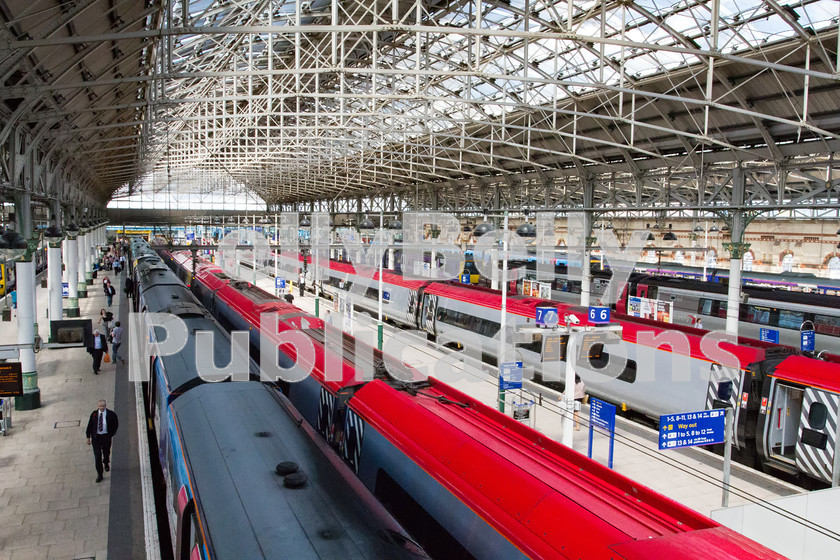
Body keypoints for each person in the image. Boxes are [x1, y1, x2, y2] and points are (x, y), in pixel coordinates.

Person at [85, 400, 119, 482]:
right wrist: (88, 437)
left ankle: (106, 462)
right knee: (97, 456)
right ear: (98, 406)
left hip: (106, 437)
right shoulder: (94, 414)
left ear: (105, 406)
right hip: (96, 438)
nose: (102, 408)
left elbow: (115, 424)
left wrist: (111, 434)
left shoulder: (111, 414)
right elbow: (89, 426)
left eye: (103, 406)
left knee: (106, 452)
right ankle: (100, 474)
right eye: (100, 406)